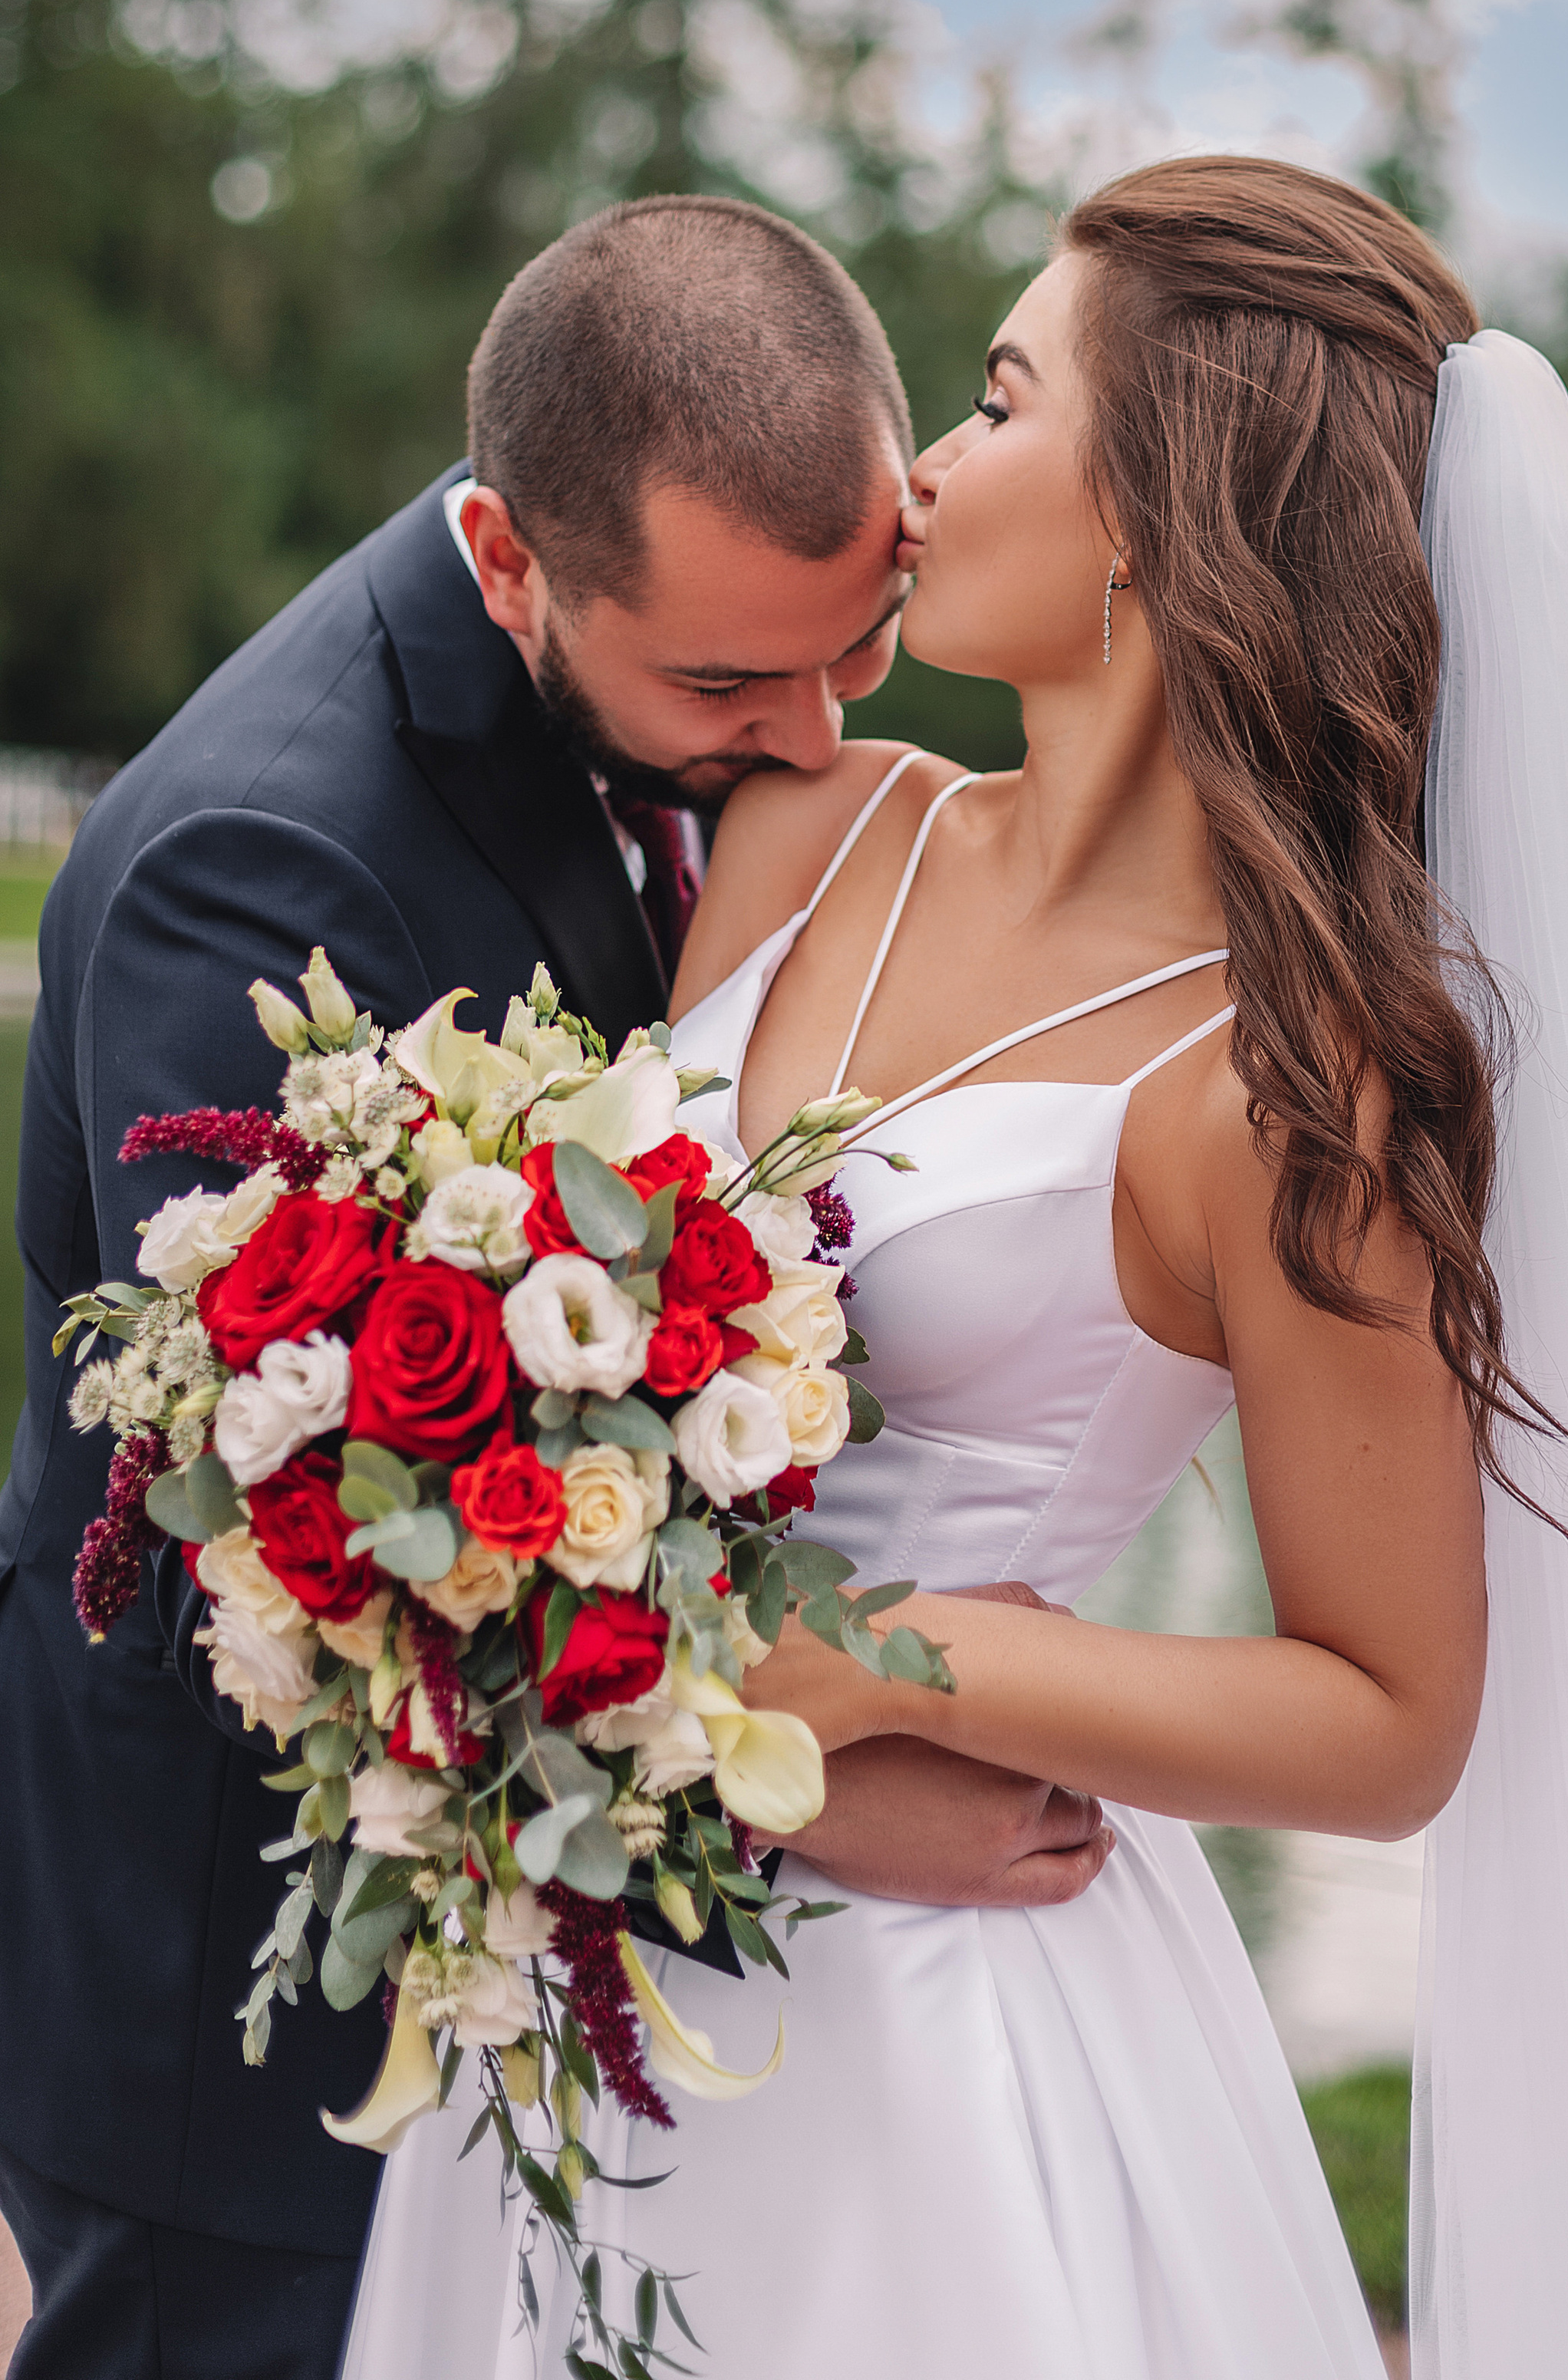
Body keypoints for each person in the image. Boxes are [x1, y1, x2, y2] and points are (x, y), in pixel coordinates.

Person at [346, 157, 1568, 2380]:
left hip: (941, 2035)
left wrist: (886, 1667)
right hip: (594, 1941)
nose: (924, 468)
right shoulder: (818, 827)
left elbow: (1393, 1721)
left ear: (1153, 520)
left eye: (1003, 402)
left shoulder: (1286, 1097)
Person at [1, 197, 1112, 2380]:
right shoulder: (270, 857)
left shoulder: (687, 725)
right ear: (509, 557)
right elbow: (301, 1522)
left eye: (854, 643)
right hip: (241, 1965)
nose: (808, 739)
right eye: (721, 679)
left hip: (563, 1934)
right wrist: (812, 1767)